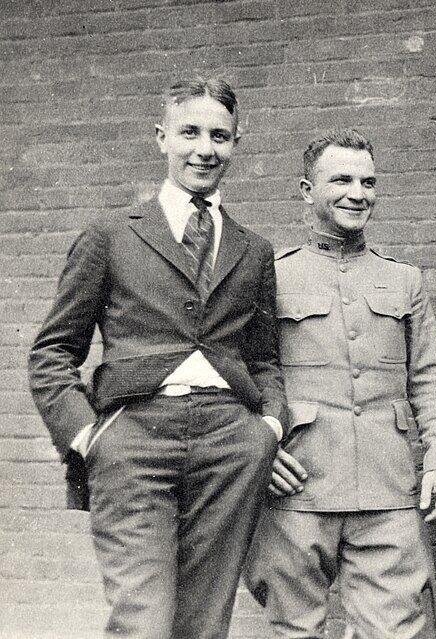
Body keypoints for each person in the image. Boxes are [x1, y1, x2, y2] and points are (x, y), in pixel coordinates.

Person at [27, 77, 285, 639]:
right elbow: (53, 352)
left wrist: (266, 425)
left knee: (205, 620)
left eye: (220, 136)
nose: (204, 149)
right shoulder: (111, 236)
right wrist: (87, 436)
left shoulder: (253, 249)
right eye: (189, 132)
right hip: (134, 438)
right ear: (161, 138)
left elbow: (263, 357)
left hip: (230, 442)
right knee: (141, 619)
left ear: (236, 143)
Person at [244, 129, 436, 639]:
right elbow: (245, 374)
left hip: (388, 489)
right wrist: (261, 449)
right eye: (341, 179)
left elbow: (430, 377)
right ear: (305, 189)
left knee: (393, 630)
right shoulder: (269, 278)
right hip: (298, 483)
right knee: (293, 628)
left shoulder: (404, 280)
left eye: (368, 181)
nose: (357, 193)